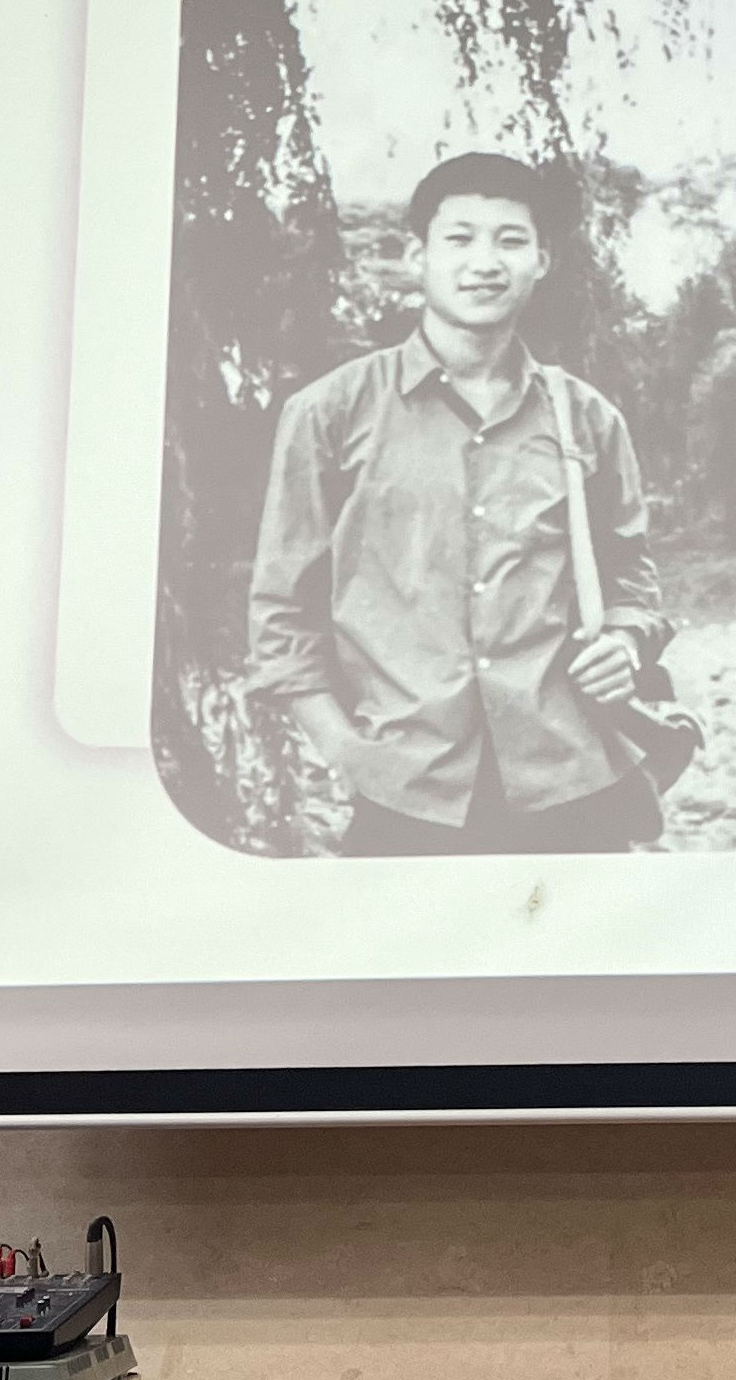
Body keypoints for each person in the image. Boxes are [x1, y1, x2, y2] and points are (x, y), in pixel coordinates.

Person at [247, 150, 672, 855]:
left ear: (542, 261)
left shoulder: (587, 418)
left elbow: (632, 572)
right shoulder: (329, 412)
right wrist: (343, 749)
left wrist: (626, 641)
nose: (485, 262)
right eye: (460, 238)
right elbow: (282, 609)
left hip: (573, 785)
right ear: (417, 257)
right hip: (404, 791)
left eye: (511, 240)